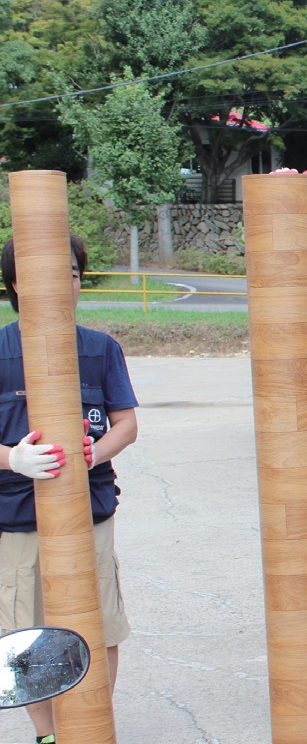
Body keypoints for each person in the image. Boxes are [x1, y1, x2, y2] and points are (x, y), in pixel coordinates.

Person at [0, 236, 139, 744]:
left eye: (73, 274)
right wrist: (12, 457)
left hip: (90, 514)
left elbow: (125, 424)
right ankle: (48, 736)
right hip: (17, 520)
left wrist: (94, 454)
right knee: (29, 638)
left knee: (99, 626)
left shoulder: (100, 349)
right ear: (16, 283)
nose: (65, 285)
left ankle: (93, 727)